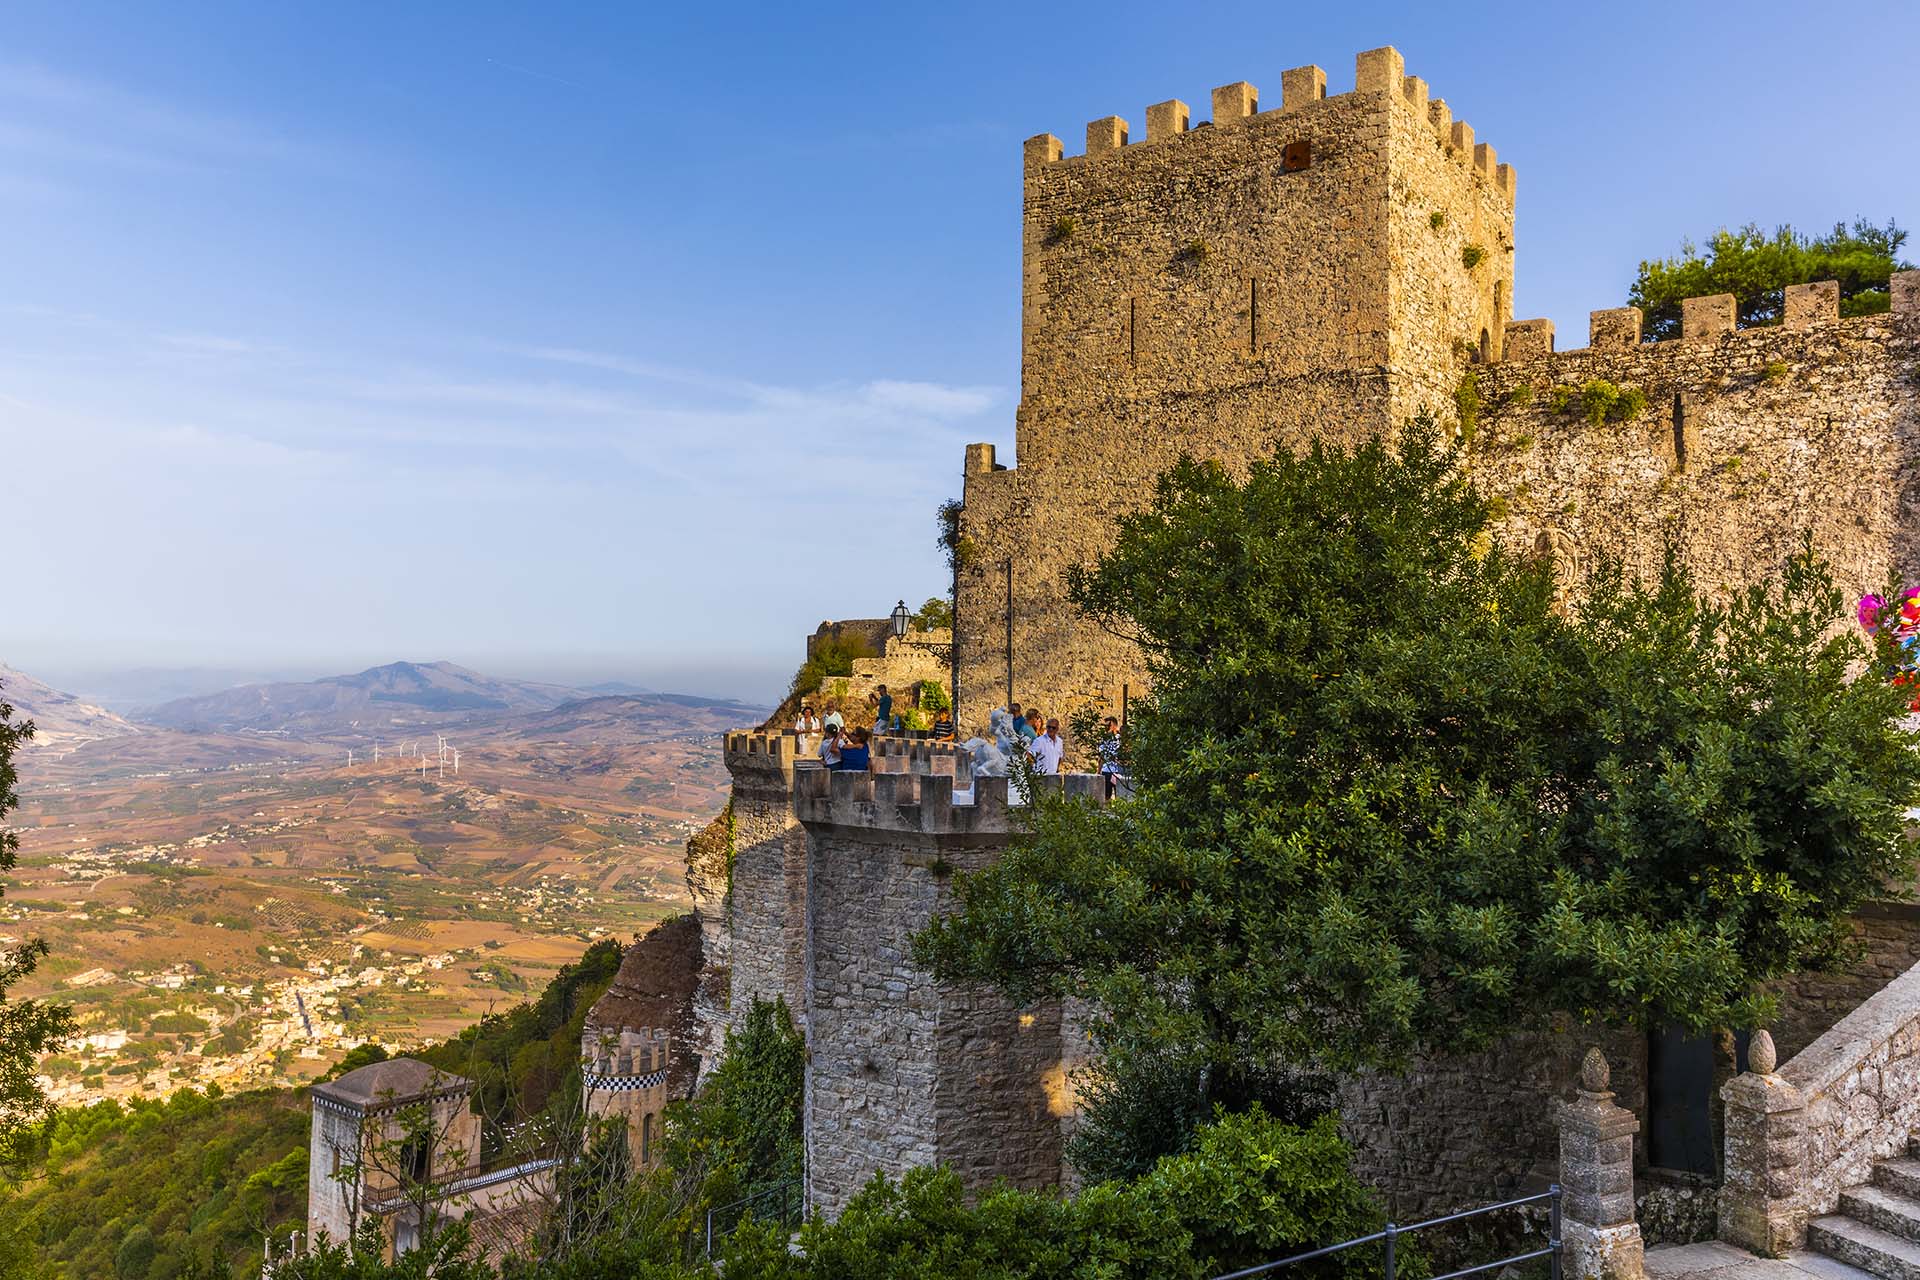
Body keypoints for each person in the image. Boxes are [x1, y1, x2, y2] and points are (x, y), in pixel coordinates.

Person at [1097, 715, 1123, 798]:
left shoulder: (1120, 739)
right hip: (1106, 770)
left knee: (1120, 796)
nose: (1107, 728)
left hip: (1118, 771)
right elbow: (1102, 756)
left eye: (1109, 725)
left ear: (1115, 726)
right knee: (1106, 796)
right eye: (1105, 726)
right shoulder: (1103, 739)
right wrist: (1098, 771)